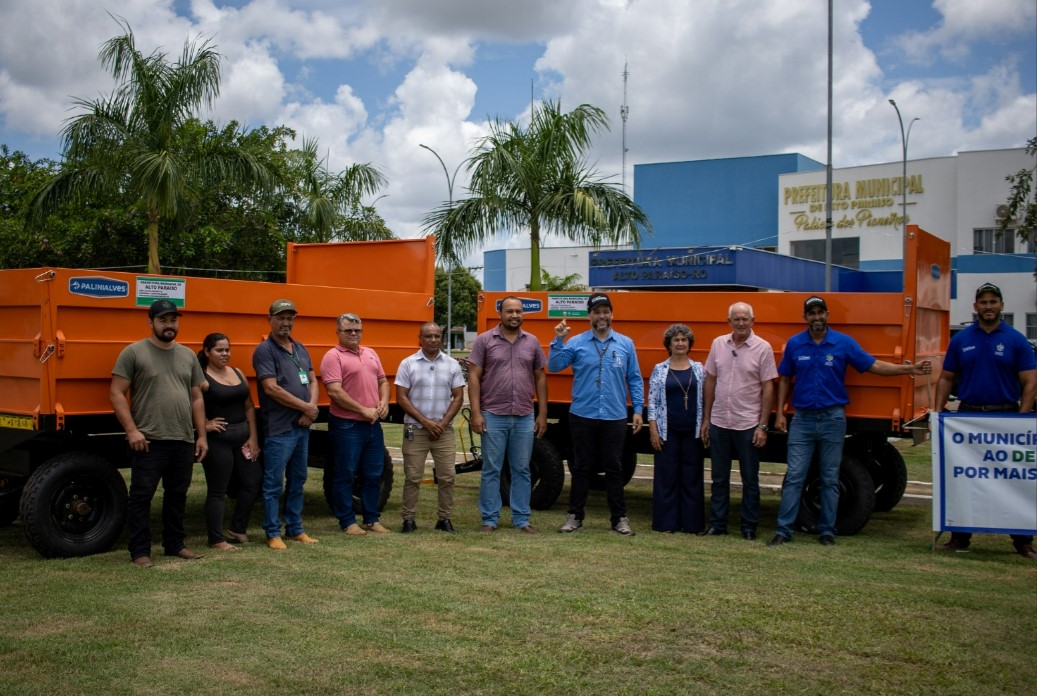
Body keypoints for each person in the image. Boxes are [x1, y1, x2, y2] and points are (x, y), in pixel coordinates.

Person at [768, 295, 932, 547]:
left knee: (830, 477)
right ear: (805, 317)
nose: (816, 317)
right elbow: (785, 379)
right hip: (802, 419)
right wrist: (780, 412)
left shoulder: (843, 343)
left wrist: (909, 369)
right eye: (811, 313)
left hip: (833, 418)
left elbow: (874, 365)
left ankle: (827, 531)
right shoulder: (795, 344)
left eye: (820, 312)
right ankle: (783, 531)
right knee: (795, 476)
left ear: (827, 315)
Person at [933, 282, 1037, 560]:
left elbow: (1030, 383)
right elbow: (946, 378)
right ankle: (960, 537)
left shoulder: (1016, 340)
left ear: (1001, 305)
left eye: (993, 302)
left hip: (1006, 416)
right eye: (983, 302)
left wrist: (1022, 419)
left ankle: (1023, 541)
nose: (988, 306)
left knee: (1013, 479)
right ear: (975, 306)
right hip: (968, 416)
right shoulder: (961, 340)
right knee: (963, 478)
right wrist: (937, 412)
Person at [110, 299, 208, 567]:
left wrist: (201, 435)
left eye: (173, 320)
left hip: (182, 438)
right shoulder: (134, 352)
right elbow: (117, 393)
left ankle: (175, 544)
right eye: (163, 320)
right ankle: (140, 551)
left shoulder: (188, 355)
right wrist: (132, 431)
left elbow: (196, 397)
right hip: (149, 440)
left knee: (177, 496)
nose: (169, 325)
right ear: (150, 322)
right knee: (141, 497)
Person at [549, 293, 644, 536]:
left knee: (614, 468)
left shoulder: (625, 343)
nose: (601, 316)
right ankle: (574, 516)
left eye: (605, 311)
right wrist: (559, 339)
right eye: (596, 312)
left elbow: (634, 378)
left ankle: (619, 519)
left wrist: (638, 410)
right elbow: (555, 366)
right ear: (589, 315)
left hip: (614, 415)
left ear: (612, 314)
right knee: (581, 466)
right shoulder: (576, 342)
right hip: (583, 414)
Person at [467, 296, 548, 533]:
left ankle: (522, 519)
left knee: (522, 469)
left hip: (524, 415)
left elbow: (540, 377)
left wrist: (542, 414)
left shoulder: (532, 342)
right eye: (510, 311)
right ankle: (489, 519)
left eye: (518, 311)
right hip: (492, 414)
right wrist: (476, 413)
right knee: (491, 469)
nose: (514, 315)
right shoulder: (484, 340)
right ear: (500, 314)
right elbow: (474, 376)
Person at [699, 302, 777, 540]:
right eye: (736, 319)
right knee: (719, 478)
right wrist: (706, 419)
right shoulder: (718, 344)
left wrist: (763, 425)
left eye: (745, 319)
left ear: (753, 321)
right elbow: (710, 381)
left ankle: (749, 527)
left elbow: (768, 387)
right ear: (729, 322)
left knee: (750, 479)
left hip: (748, 424)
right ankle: (717, 524)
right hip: (720, 421)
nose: (741, 323)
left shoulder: (763, 348)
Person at [253, 298, 320, 550]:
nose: (286, 322)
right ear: (269, 319)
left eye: (290, 318)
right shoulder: (265, 350)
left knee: (298, 479)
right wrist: (305, 408)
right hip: (280, 429)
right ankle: (272, 532)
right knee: (273, 484)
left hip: (302, 426)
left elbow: (313, 380)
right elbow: (271, 388)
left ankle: (295, 529)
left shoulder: (300, 347)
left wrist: (311, 409)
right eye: (281, 317)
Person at [321, 312, 391, 536]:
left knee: (373, 473)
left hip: (372, 425)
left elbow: (383, 382)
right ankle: (347, 521)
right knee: (345, 474)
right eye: (348, 330)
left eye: (357, 330)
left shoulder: (370, 353)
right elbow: (334, 391)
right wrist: (363, 410)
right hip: (347, 425)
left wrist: (384, 402)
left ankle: (372, 519)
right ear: (338, 332)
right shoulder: (333, 357)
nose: (353, 334)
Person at [395, 322, 465, 533]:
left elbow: (458, 396)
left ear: (441, 338)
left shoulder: (452, 364)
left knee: (447, 477)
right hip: (416, 429)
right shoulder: (408, 364)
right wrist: (426, 422)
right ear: (420, 339)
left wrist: (442, 424)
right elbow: (401, 397)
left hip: (444, 431)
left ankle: (444, 519)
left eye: (437, 336)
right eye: (428, 336)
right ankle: (408, 520)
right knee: (413, 477)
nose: (433, 340)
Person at [198, 333, 261, 550]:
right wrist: (204, 424)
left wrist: (253, 437)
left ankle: (238, 528)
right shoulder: (202, 378)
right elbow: (189, 404)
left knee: (253, 482)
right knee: (218, 490)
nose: (225, 354)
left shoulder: (237, 372)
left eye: (227, 349)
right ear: (207, 352)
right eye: (219, 350)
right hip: (219, 442)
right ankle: (216, 539)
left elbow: (249, 406)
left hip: (243, 438)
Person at [646, 323, 706, 533]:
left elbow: (706, 398)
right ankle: (666, 524)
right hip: (666, 432)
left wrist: (705, 425)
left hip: (693, 433)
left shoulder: (699, 369)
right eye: (676, 340)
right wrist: (653, 429)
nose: (680, 343)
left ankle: (692, 524)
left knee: (692, 477)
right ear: (669, 344)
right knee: (666, 477)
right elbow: (652, 402)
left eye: (684, 340)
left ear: (689, 343)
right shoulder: (660, 369)